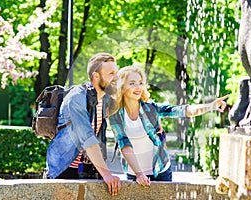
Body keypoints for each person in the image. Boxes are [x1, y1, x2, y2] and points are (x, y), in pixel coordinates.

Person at [108, 66, 228, 187]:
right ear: (122, 87)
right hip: (133, 173)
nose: (138, 87)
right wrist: (139, 174)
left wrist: (210, 106)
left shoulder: (151, 109)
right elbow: (124, 145)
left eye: (140, 83)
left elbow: (183, 110)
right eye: (132, 83)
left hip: (160, 170)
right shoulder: (115, 115)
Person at [46, 53, 121, 196]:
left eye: (116, 73)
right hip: (64, 169)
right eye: (111, 73)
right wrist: (107, 174)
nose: (116, 77)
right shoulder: (76, 98)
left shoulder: (104, 99)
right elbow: (88, 139)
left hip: (88, 169)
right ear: (96, 76)